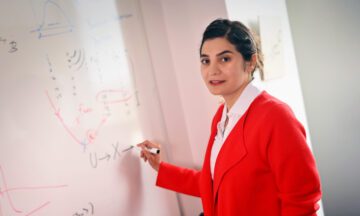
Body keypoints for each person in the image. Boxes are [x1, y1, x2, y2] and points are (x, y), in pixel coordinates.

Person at [138, 18, 321, 216]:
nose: (213, 70)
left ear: (250, 62)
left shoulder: (276, 117)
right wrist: (161, 168)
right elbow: (214, 186)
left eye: (224, 59)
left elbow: (302, 202)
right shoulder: (222, 116)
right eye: (205, 61)